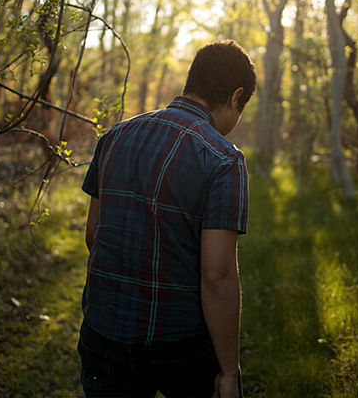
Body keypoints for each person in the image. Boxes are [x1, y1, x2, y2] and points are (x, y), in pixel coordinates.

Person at [78, 39, 256, 398]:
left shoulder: (114, 136)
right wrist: (228, 371)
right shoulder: (223, 159)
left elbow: (94, 235)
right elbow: (217, 278)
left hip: (103, 332)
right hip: (179, 347)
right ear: (236, 97)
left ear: (192, 82)